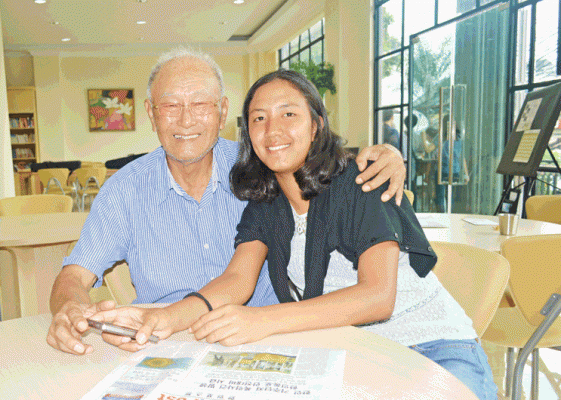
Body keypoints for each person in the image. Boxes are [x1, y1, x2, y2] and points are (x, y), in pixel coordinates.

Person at [96, 70, 497, 399]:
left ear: (316, 124)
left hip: (431, 348)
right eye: (259, 118)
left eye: (288, 114)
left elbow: (377, 297)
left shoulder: (359, 180)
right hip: (349, 352)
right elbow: (237, 279)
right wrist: (163, 317)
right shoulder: (265, 202)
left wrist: (261, 320)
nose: (273, 129)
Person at [46, 48, 407, 356]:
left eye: (200, 104)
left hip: (273, 337)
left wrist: (388, 154)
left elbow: (318, 165)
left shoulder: (260, 168)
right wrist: (70, 310)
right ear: (152, 113)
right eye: (170, 105)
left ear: (222, 112)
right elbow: (74, 275)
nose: (186, 120)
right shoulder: (124, 191)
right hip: (167, 340)